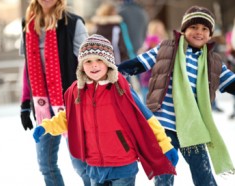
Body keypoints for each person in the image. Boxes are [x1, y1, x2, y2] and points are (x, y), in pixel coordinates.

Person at [33, 34, 178, 186]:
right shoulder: (78, 91)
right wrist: (46, 126)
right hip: (95, 165)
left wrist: (165, 145)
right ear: (81, 65)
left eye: (99, 60)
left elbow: (146, 119)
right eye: (88, 61)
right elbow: (68, 117)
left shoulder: (120, 89)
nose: (93, 65)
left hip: (123, 164)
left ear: (108, 63)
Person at [118, 5, 235, 186]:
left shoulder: (213, 62)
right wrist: (115, 71)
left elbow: (230, 82)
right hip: (164, 123)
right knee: (164, 170)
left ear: (210, 35)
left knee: (202, 172)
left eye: (205, 29)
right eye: (194, 27)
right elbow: (140, 63)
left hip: (192, 126)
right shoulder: (167, 49)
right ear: (184, 29)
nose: (199, 32)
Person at [19, 0, 90, 185]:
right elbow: (28, 67)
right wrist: (25, 105)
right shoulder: (27, 24)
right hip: (42, 106)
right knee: (46, 165)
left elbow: (88, 64)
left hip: (71, 104)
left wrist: (90, 98)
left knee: (81, 166)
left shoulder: (73, 23)